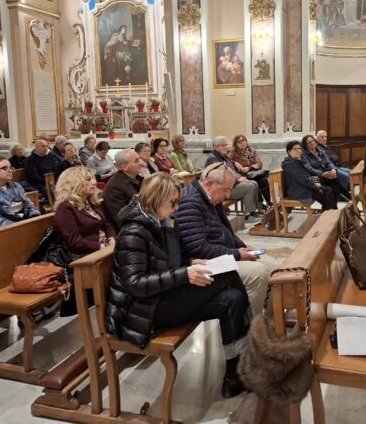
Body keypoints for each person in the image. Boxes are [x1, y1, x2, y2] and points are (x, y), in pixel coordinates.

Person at [106, 173, 250, 398]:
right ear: (156, 199)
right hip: (145, 311)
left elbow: (171, 260)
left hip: (165, 296)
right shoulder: (134, 231)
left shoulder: (164, 221)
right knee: (228, 273)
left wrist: (191, 263)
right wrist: (185, 274)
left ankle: (235, 376)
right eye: (173, 202)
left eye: (178, 202)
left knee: (233, 299)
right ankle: (257, 348)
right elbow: (135, 284)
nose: (176, 208)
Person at [173, 163, 280, 313]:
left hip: (224, 253)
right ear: (209, 184)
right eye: (226, 189)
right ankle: (249, 322)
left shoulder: (210, 197)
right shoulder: (190, 202)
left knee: (275, 268)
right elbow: (198, 248)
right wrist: (237, 254)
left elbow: (226, 229)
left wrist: (241, 246)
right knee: (258, 272)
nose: (228, 195)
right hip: (205, 262)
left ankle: (270, 318)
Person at [54, 166, 116, 316]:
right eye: (88, 179)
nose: (94, 182)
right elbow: (74, 242)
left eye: (93, 178)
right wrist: (102, 246)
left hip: (103, 250)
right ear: (74, 182)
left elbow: (107, 225)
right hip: (85, 257)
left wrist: (112, 238)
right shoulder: (65, 208)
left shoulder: (90, 203)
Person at [205, 136, 261, 224]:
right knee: (250, 186)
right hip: (221, 190)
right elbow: (221, 177)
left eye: (225, 144)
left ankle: (254, 212)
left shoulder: (223, 156)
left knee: (254, 183)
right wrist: (238, 180)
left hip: (230, 184)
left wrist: (239, 173)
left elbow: (232, 170)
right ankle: (248, 215)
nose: (226, 147)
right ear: (216, 147)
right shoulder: (213, 159)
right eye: (223, 145)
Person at [0, 156, 40, 230]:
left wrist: (36, 218)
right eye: (5, 168)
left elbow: (30, 205)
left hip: (24, 224)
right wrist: (21, 227)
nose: (10, 171)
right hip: (2, 231)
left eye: (10, 168)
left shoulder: (16, 186)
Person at [281, 141, 336, 211]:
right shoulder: (291, 164)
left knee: (328, 189)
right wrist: (316, 187)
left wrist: (316, 182)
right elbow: (303, 180)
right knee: (327, 191)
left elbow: (308, 174)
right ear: (289, 151)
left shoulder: (296, 161)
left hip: (303, 187)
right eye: (295, 149)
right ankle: (329, 212)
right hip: (298, 191)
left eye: (299, 148)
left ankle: (329, 211)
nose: (298, 151)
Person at [102, 149, 143, 230]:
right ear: (125, 167)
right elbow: (122, 218)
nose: (141, 163)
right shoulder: (114, 188)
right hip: (129, 229)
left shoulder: (137, 179)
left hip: (141, 221)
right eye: (136, 161)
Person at [230, 134, 271, 209]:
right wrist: (235, 162)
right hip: (242, 175)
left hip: (253, 173)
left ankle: (268, 202)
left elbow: (259, 164)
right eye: (239, 142)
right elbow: (227, 160)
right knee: (255, 181)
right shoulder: (233, 152)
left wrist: (249, 168)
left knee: (264, 180)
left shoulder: (250, 151)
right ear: (235, 144)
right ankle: (260, 204)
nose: (242, 143)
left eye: (243, 140)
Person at [301, 134, 345, 201]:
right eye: (309, 142)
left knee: (334, 176)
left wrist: (333, 169)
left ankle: (339, 196)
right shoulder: (303, 155)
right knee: (331, 182)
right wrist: (322, 174)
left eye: (312, 141)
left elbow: (329, 162)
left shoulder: (320, 150)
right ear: (305, 145)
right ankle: (339, 196)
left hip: (324, 171)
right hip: (314, 175)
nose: (312, 143)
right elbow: (309, 168)